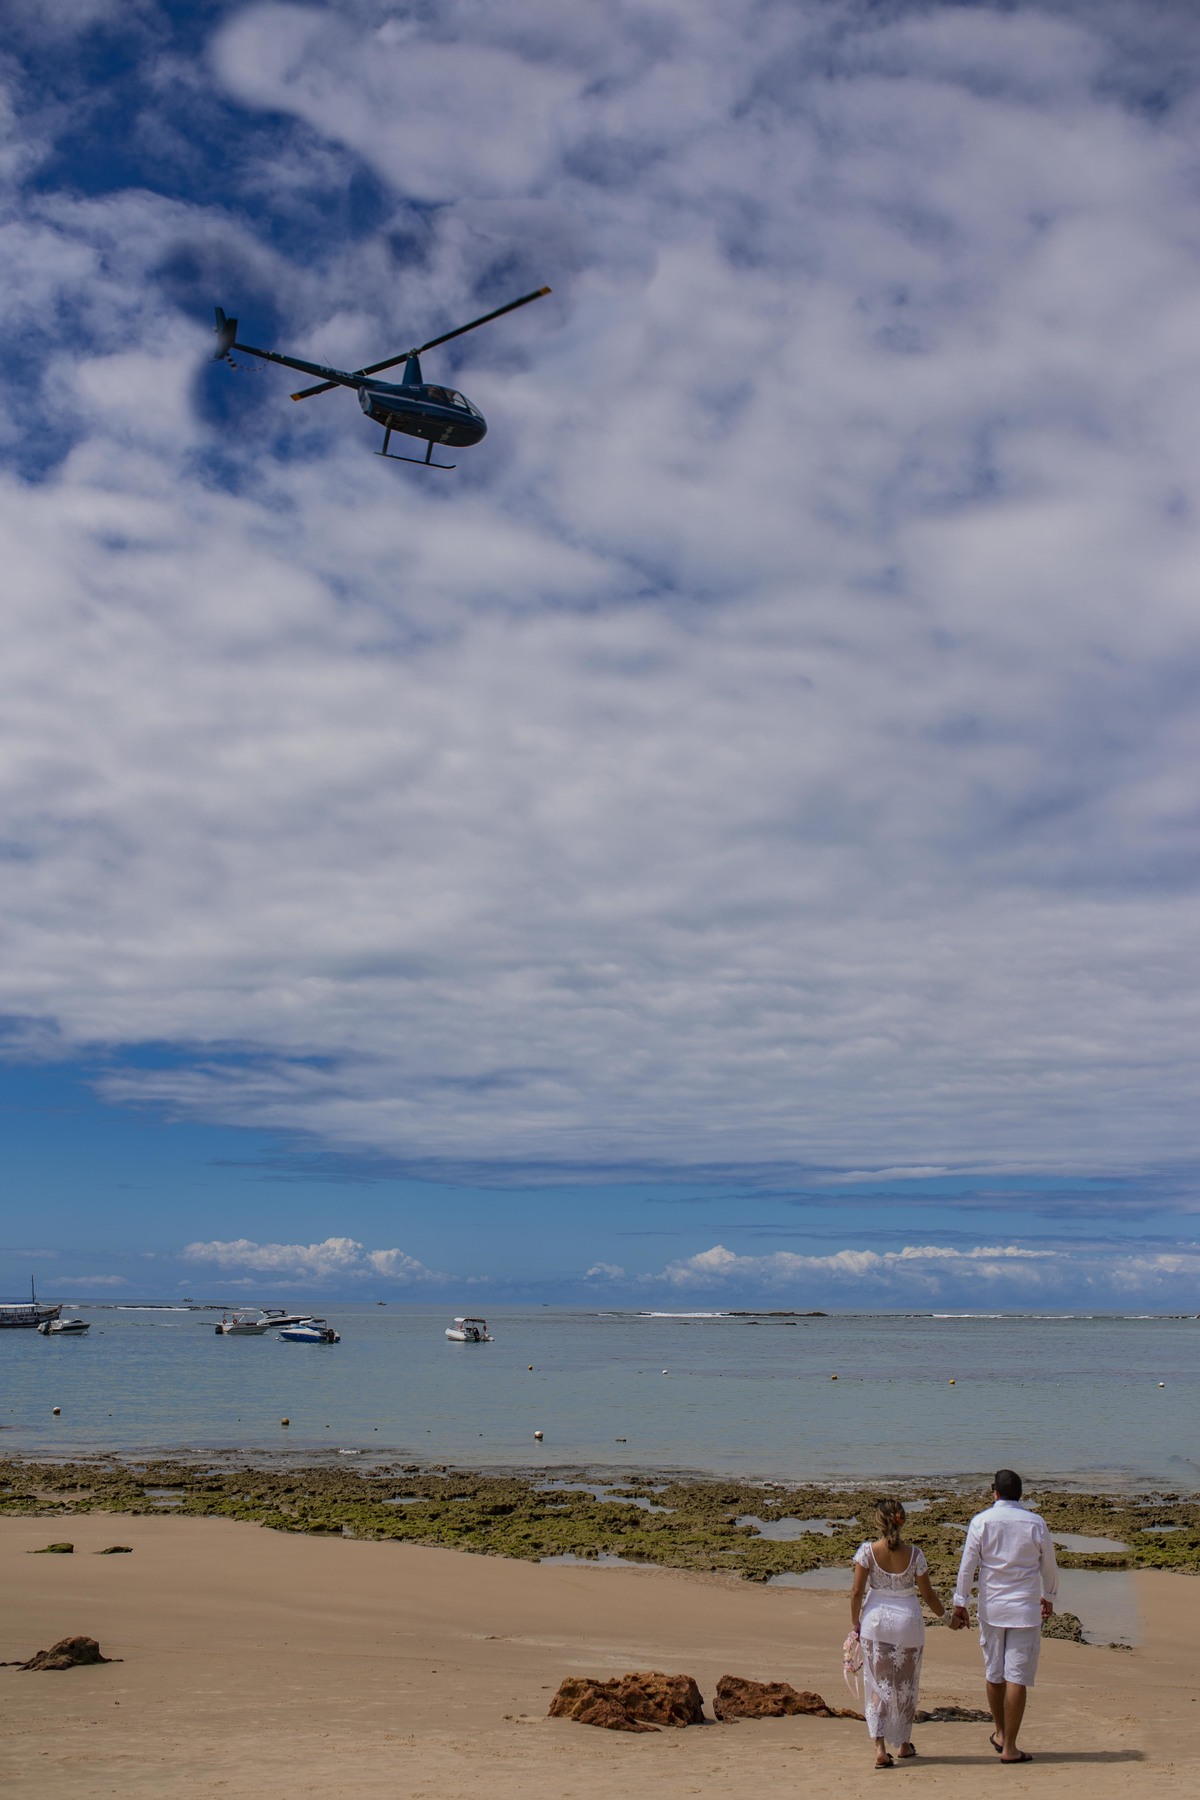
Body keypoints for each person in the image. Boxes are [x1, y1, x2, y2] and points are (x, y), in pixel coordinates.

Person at [950, 1468, 1058, 1764]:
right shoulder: (1035, 1522)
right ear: (1020, 1494)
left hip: (992, 1608)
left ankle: (1000, 1731)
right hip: (1024, 1609)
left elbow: (967, 1566)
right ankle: (1009, 1745)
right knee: (1017, 1677)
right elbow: (1049, 1565)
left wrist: (961, 1602)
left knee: (994, 1673)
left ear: (993, 1491)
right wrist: (1049, 1596)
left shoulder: (981, 1521)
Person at [850, 1498, 946, 1769]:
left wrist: (855, 1623)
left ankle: (880, 1748)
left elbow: (857, 1592)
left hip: (875, 1623)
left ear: (878, 1522)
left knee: (878, 1685)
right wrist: (948, 1618)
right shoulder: (915, 1554)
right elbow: (928, 1594)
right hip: (908, 1623)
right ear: (901, 1521)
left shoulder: (867, 1552)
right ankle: (903, 1743)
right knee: (905, 1685)